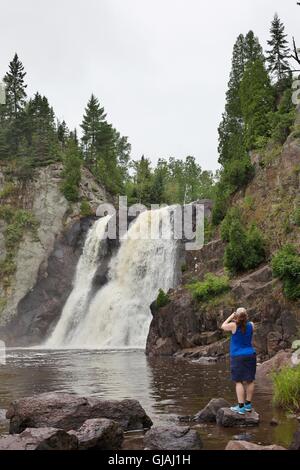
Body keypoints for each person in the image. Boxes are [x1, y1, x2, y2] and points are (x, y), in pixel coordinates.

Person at [221, 307, 256, 415]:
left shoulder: (233, 325)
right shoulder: (252, 324)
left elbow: (222, 326)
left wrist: (232, 316)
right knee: (250, 380)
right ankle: (248, 405)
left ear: (237, 316)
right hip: (250, 355)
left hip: (237, 356)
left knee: (239, 381)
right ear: (246, 315)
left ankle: (240, 407)